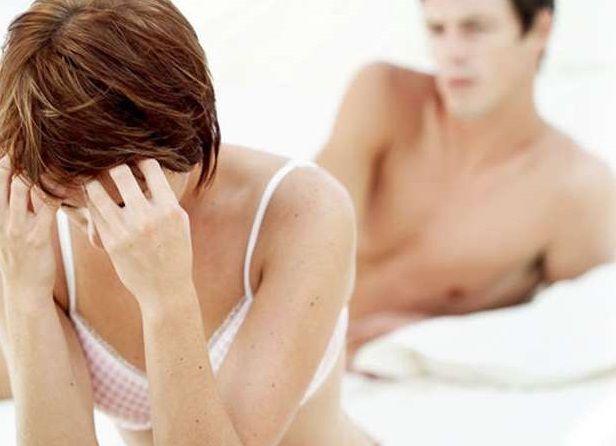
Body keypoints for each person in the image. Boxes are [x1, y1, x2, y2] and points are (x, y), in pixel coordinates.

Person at [0, 0, 375, 444]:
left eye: (124, 202)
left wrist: (168, 296)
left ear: (187, 127)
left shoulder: (303, 211)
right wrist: (24, 294)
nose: (101, 238)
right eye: (72, 209)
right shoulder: (31, 228)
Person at [317, 0, 616, 355]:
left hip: (388, 372)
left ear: (540, 29)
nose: (452, 53)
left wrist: (431, 338)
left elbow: (584, 332)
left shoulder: (576, 191)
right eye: (437, 30)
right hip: (283, 347)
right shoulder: (382, 96)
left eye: (475, 29)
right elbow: (302, 235)